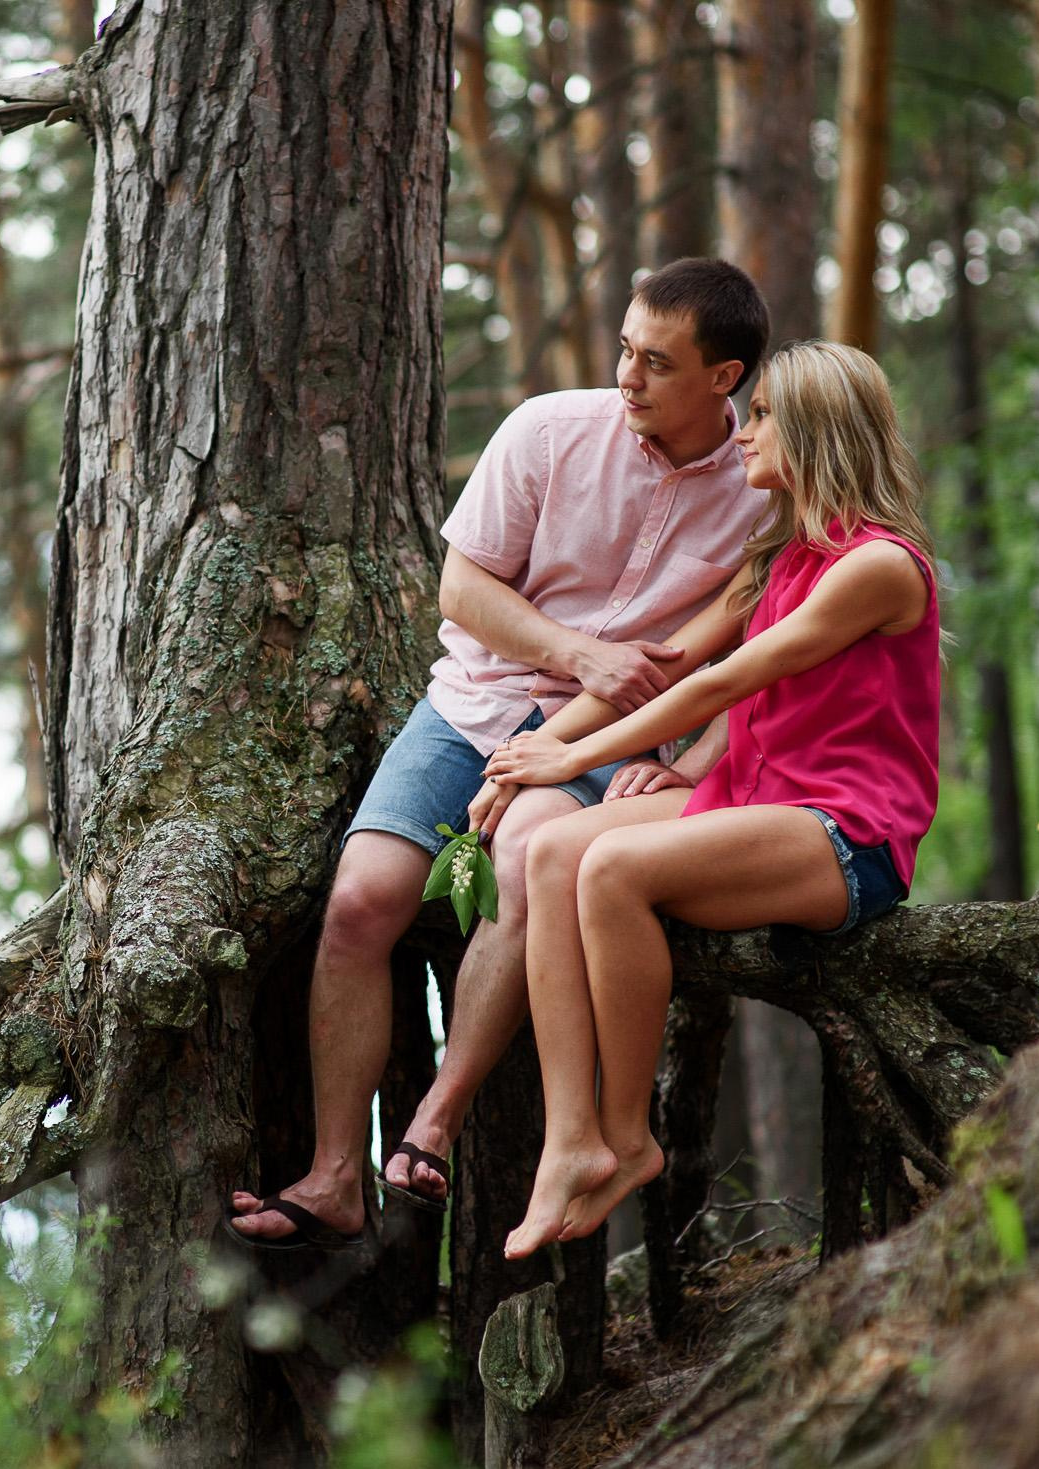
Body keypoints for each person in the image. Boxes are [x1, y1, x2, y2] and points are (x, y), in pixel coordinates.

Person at [227, 259, 772, 1247]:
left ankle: (432, 1125)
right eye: (624, 349)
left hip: (611, 742)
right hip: (471, 707)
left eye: (656, 361)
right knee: (360, 900)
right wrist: (578, 652)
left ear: (722, 377)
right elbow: (461, 590)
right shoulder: (549, 431)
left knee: (526, 860)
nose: (627, 377)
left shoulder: (762, 488)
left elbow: (768, 656)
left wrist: (684, 762)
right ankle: (333, 1176)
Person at [476, 339, 941, 1261]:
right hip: (757, 795)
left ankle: (627, 1134)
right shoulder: (778, 559)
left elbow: (722, 685)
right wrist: (685, 768)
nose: (747, 432)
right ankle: (569, 1141)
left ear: (815, 431)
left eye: (765, 415)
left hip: (845, 830)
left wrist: (558, 752)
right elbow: (680, 668)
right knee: (550, 852)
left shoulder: (878, 566)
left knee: (608, 867)